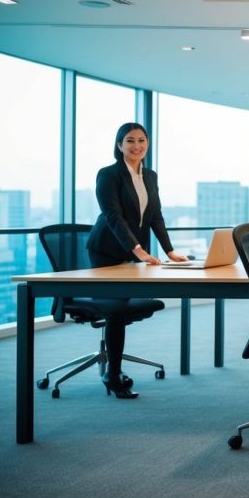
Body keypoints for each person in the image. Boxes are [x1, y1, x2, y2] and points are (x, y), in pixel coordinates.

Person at [87, 122, 187, 399]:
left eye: (142, 140)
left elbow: (156, 216)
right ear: (119, 145)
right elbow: (113, 216)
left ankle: (113, 369)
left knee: (121, 309)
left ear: (148, 144)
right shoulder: (108, 174)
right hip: (106, 250)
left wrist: (169, 251)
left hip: (132, 251)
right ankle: (113, 374)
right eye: (130, 140)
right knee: (116, 310)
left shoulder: (150, 176)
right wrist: (138, 250)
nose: (137, 145)